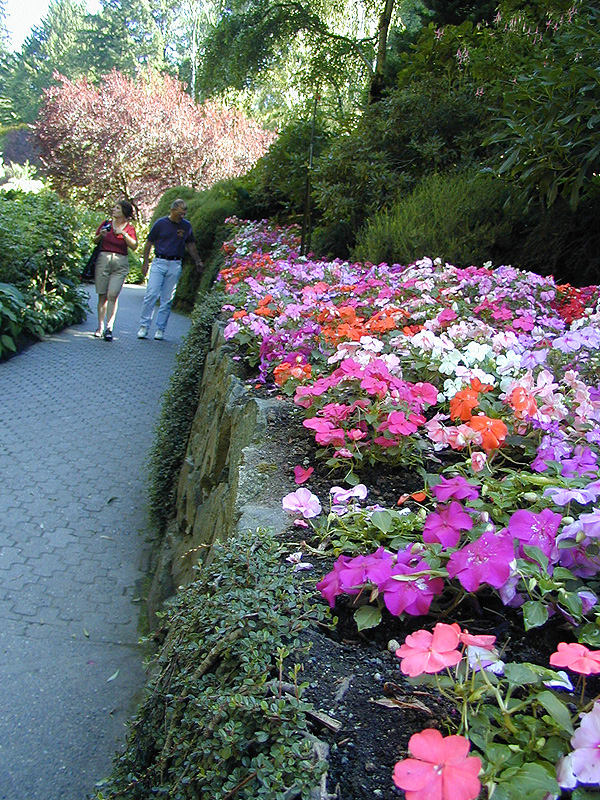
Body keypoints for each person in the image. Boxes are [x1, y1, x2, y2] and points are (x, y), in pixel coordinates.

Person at [137, 199, 203, 340]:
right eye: (180, 213)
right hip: (159, 262)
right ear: (172, 210)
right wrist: (145, 263)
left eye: (184, 213)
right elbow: (149, 242)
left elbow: (190, 244)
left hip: (175, 263)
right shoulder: (161, 224)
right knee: (151, 294)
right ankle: (144, 326)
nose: (182, 216)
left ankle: (160, 329)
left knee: (167, 300)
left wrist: (198, 261)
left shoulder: (186, 226)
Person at [94, 200, 138, 341]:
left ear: (124, 212)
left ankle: (109, 327)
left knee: (112, 294)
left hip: (120, 263)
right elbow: (94, 241)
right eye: (114, 208)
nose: (114, 210)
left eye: (117, 208)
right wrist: (101, 235)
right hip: (104, 260)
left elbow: (134, 246)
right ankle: (100, 327)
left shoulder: (129, 228)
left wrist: (124, 235)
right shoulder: (106, 224)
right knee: (102, 295)